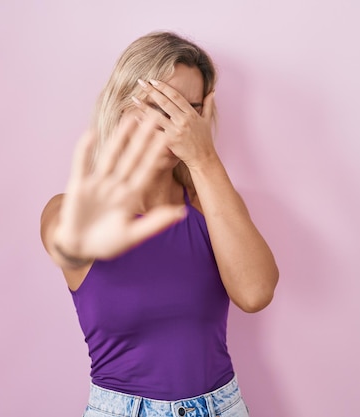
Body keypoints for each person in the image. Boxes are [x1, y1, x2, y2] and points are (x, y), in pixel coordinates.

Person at [40, 31, 278, 417]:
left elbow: (255, 293)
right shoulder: (68, 210)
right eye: (162, 104)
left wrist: (204, 161)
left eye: (191, 110)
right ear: (121, 104)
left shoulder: (210, 208)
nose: (178, 125)